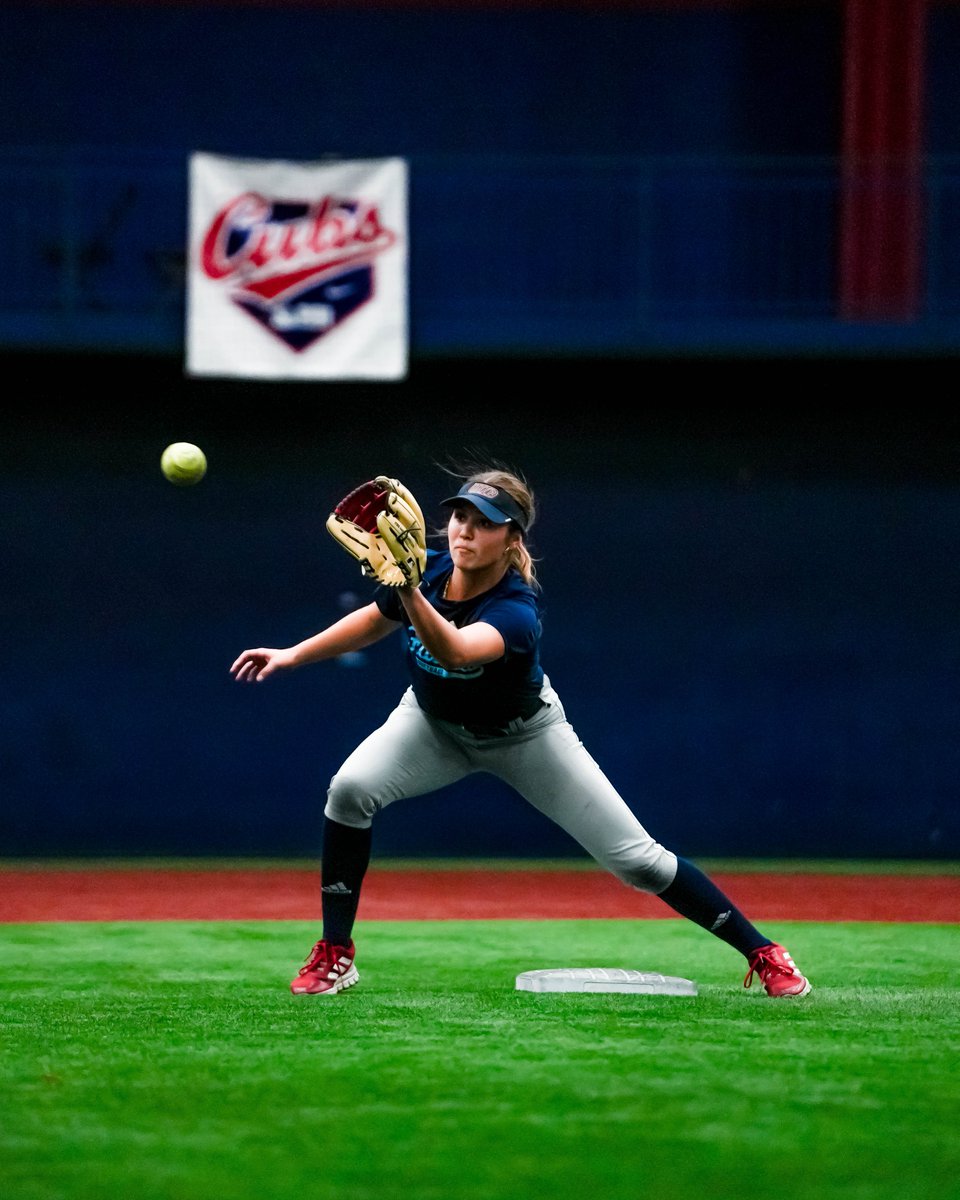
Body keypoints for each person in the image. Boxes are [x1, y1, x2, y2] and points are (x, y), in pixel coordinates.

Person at [230, 464, 811, 1000]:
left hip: (524, 736)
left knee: (640, 863)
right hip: (432, 724)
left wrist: (409, 590)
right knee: (349, 790)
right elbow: (375, 620)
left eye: (485, 524)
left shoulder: (516, 608)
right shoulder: (425, 568)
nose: (465, 532)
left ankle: (764, 952)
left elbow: (457, 652)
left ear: (512, 540)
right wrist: (291, 655)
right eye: (460, 516)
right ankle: (336, 951)